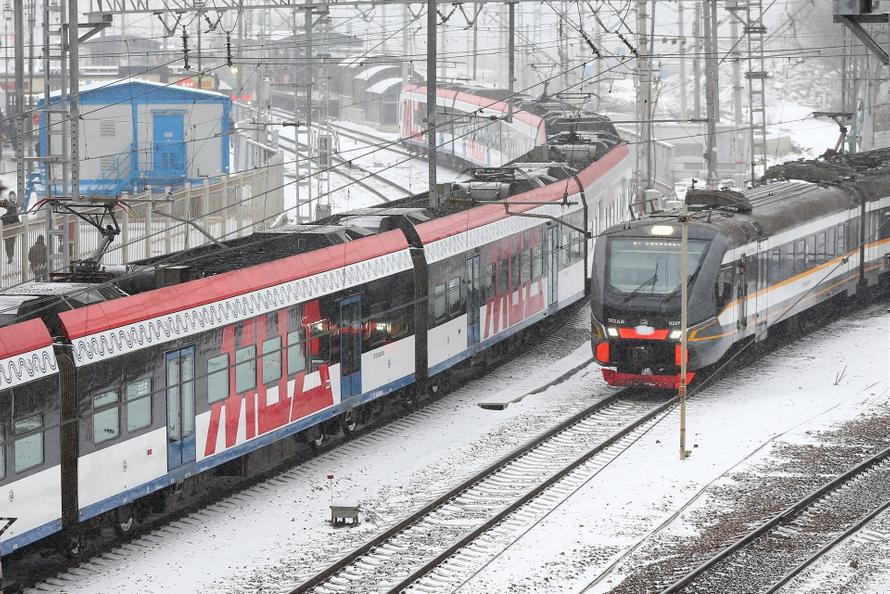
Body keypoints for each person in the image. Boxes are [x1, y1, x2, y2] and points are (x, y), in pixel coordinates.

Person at [1, 192, 20, 264]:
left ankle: (10, 256)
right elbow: (18, 223)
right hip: (12, 234)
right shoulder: (15, 216)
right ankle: (10, 256)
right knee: (11, 245)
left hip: (6, 234)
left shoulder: (4, 216)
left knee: (7, 246)